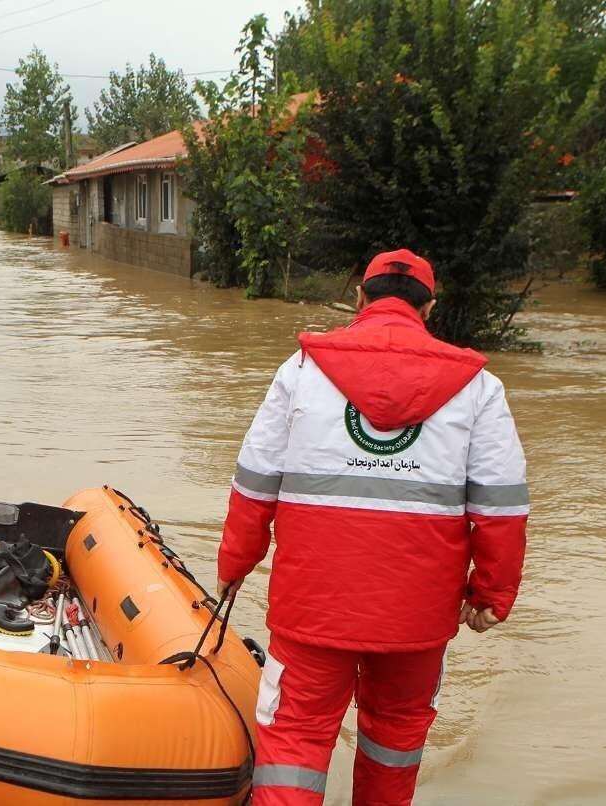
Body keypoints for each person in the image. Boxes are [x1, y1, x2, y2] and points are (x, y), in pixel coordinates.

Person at [217, 249, 528, 806]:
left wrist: (234, 565)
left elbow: (254, 482)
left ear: (359, 298)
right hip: (417, 615)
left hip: (313, 604)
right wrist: (492, 594)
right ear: (429, 308)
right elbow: (502, 508)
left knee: (295, 735)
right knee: (395, 739)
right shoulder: (478, 388)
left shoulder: (302, 371)